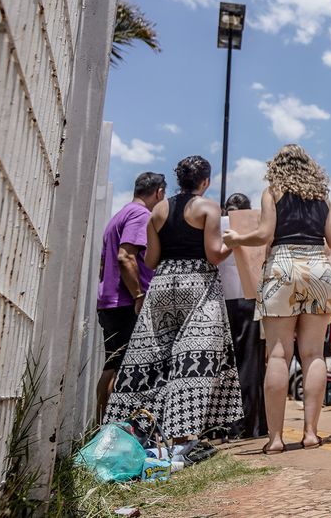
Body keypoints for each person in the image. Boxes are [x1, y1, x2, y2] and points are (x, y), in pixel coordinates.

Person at [104, 157, 241, 468]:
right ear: (205, 181)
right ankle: (183, 440)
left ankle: (134, 433)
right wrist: (234, 243)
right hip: (198, 284)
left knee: (158, 360)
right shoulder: (208, 208)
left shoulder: (158, 211)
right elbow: (214, 255)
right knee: (194, 360)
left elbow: (150, 260)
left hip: (163, 284)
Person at [223, 144, 331, 454]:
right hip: (318, 266)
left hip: (283, 265)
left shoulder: (272, 192)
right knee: (314, 354)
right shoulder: (323, 197)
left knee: (277, 355)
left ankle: (275, 439)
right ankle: (311, 434)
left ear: (277, 165)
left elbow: (264, 234)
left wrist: (237, 239)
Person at [95, 172, 165, 423]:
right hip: (125, 304)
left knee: (111, 366)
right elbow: (126, 256)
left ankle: (102, 428)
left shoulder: (119, 215)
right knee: (123, 370)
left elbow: (105, 263)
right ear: (159, 193)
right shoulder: (141, 215)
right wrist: (138, 295)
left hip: (109, 302)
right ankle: (116, 430)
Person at [219, 193, 268, 439]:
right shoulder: (254, 226)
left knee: (226, 365)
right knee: (252, 364)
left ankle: (226, 427)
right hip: (250, 298)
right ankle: (253, 425)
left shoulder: (217, 225)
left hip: (220, 301)